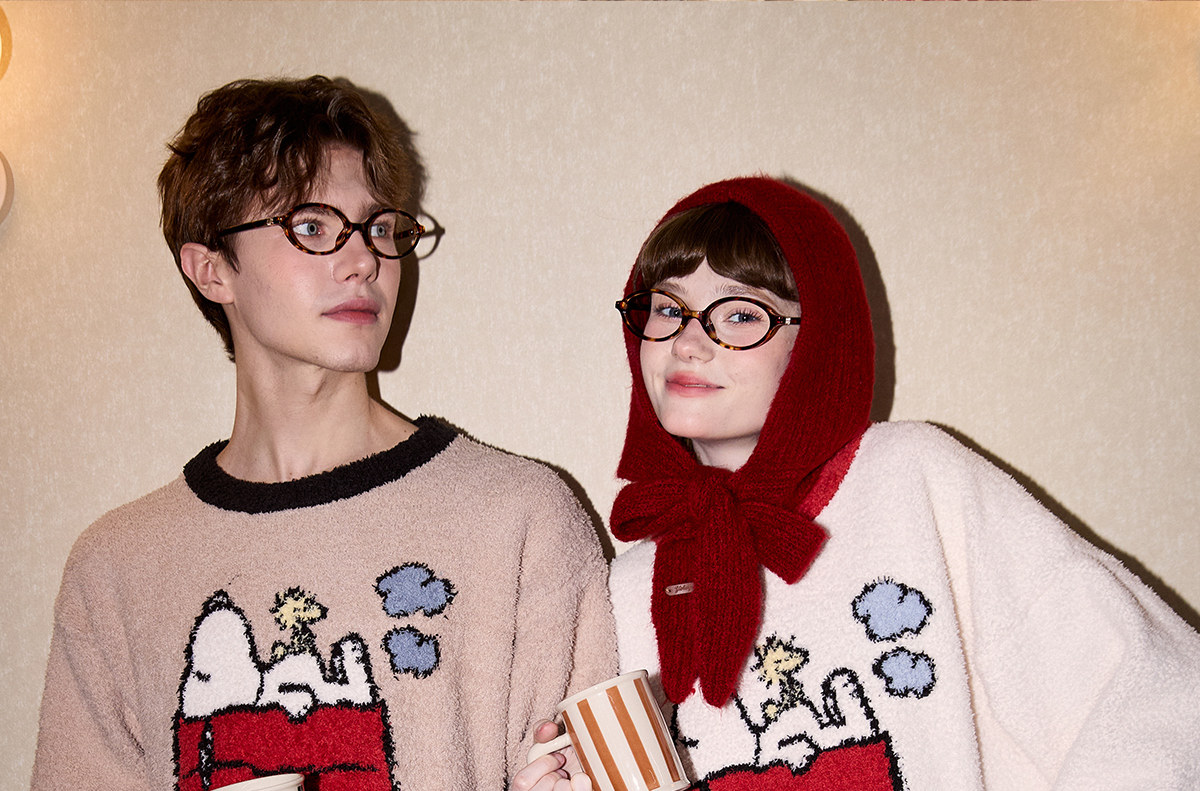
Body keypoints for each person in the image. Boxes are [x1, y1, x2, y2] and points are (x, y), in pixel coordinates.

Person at [31, 75, 616, 791]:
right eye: (311, 227)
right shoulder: (117, 569)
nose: (365, 259)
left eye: (379, 228)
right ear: (211, 270)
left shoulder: (519, 519)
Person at [519, 176, 1200, 790]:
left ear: (816, 340)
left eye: (740, 315)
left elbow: (1153, 695)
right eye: (666, 309)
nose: (688, 342)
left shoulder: (914, 482)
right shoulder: (630, 588)